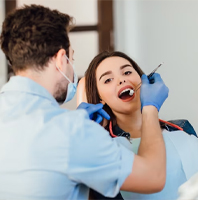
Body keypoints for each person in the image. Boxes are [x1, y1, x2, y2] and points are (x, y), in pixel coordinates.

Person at [0, 5, 169, 200]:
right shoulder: (72, 130)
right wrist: (150, 108)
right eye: (72, 58)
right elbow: (154, 176)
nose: (122, 80)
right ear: (61, 59)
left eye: (127, 72)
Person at [83, 51, 198, 200]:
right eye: (108, 80)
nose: (121, 80)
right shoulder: (103, 151)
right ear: (100, 98)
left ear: (143, 80)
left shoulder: (182, 128)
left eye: (127, 72)